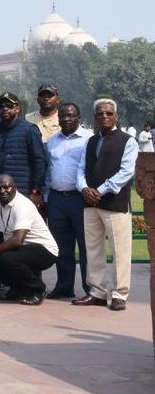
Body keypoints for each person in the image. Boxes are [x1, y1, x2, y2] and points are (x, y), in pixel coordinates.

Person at [73, 98, 139, 312]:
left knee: (120, 250)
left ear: (116, 116)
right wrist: (84, 188)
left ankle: (120, 293)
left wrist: (99, 190)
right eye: (100, 114)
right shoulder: (91, 141)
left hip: (114, 202)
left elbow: (126, 172)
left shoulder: (128, 141)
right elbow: (80, 169)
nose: (104, 117)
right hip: (90, 202)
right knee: (93, 249)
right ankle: (98, 292)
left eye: (109, 113)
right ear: (95, 117)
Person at [0, 174, 58, 306]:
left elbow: (17, 240)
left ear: (15, 187)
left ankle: (38, 289)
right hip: (19, 249)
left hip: (44, 249)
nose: (2, 191)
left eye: (6, 187)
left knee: (7, 259)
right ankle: (18, 288)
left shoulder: (23, 205)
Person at [44, 103, 91, 299]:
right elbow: (48, 171)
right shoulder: (52, 141)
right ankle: (64, 286)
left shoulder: (89, 139)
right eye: (62, 116)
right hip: (57, 199)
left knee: (87, 245)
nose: (66, 119)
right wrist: (46, 197)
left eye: (70, 115)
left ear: (78, 116)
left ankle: (91, 289)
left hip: (80, 198)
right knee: (62, 247)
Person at [0, 92, 47, 208]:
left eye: (9, 106)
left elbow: (39, 162)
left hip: (22, 194)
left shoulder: (29, 130)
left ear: (18, 108)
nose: (5, 109)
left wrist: (36, 191)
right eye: (1, 106)